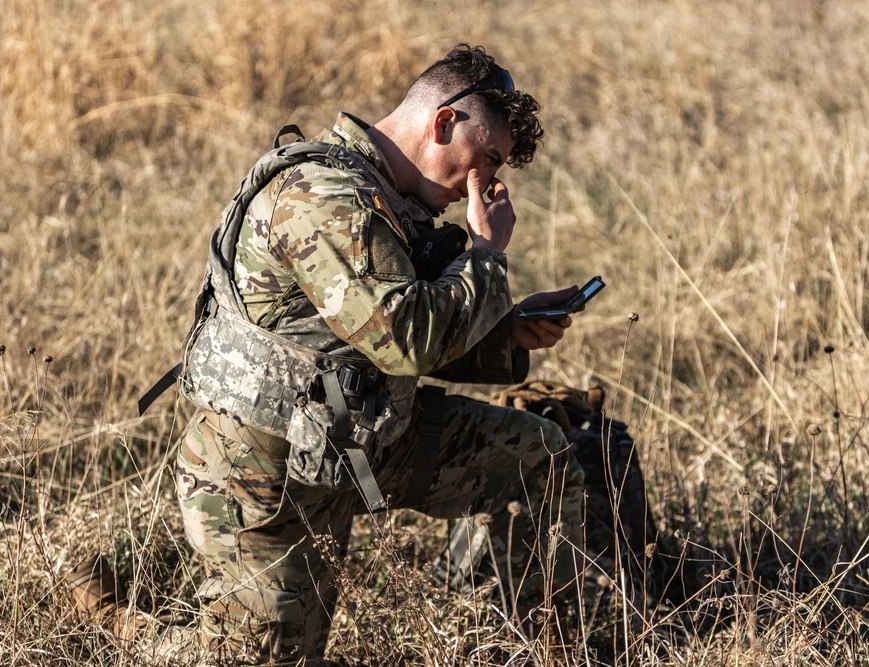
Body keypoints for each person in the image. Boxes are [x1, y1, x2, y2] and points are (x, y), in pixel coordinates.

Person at [157, 44, 586, 665]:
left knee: (536, 456)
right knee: (261, 655)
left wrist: (506, 332)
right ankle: (128, 629)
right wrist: (485, 257)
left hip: (355, 443)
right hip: (264, 478)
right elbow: (404, 339)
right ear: (443, 122)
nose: (490, 184)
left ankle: (514, 646)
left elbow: (377, 342)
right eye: (488, 158)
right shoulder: (323, 195)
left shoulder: (389, 201)